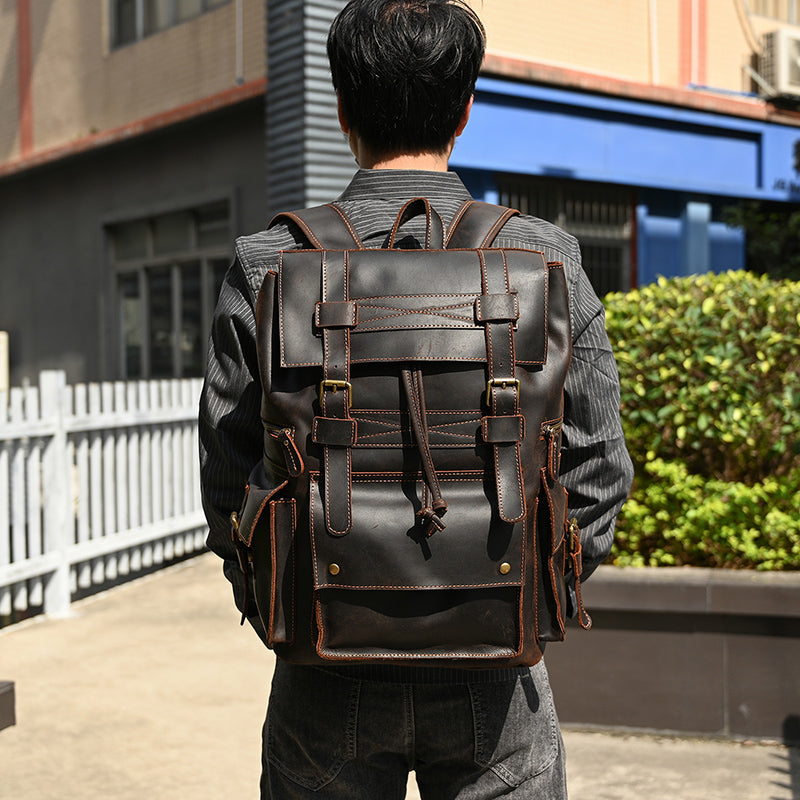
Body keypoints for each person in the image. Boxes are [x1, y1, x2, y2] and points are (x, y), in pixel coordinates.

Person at [199, 1, 634, 797]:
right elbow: (601, 467)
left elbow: (227, 481)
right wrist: (534, 590)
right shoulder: (543, 257)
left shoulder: (269, 264)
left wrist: (278, 606)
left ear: (340, 110)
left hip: (323, 660)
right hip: (500, 667)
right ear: (466, 110)